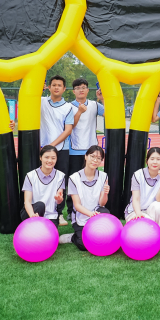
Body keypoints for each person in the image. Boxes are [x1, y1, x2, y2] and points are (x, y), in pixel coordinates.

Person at [64, 78, 104, 218]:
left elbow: (109, 114)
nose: (81, 90)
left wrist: (102, 99)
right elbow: (70, 126)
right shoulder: (69, 107)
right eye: (78, 88)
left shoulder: (95, 105)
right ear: (73, 91)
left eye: (83, 87)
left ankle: (91, 207)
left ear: (87, 90)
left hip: (91, 150)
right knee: (74, 180)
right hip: (74, 150)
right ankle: (71, 210)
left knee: (91, 179)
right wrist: (79, 112)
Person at [63, 145, 110, 251]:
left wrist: (105, 193)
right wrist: (90, 214)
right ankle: (73, 237)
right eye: (92, 156)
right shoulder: (74, 178)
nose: (95, 160)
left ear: (101, 161)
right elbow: (77, 205)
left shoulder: (103, 176)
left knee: (105, 238)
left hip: (97, 213)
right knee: (84, 245)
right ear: (86, 156)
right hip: (81, 216)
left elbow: (102, 204)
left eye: (98, 158)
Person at [41, 75, 73, 226]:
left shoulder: (68, 107)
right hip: (42, 148)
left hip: (61, 149)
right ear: (48, 87)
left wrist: (52, 146)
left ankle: (59, 214)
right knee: (42, 181)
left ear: (64, 89)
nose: (56, 87)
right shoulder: (41, 101)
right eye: (53, 85)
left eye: (59, 85)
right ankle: (42, 211)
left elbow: (68, 130)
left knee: (60, 182)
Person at [124, 147, 160, 248]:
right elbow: (136, 198)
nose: (155, 162)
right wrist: (139, 214)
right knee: (143, 232)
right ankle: (155, 232)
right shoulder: (137, 175)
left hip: (151, 211)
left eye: (158, 159)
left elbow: (159, 199)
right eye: (152, 159)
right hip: (135, 211)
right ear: (147, 161)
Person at [21, 145, 65, 223]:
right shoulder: (30, 176)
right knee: (40, 205)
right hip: (31, 212)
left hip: (51, 215)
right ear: (40, 158)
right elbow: (27, 201)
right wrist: (32, 215)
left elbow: (58, 200)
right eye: (46, 157)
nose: (50, 160)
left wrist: (59, 199)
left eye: (53, 158)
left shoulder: (60, 176)